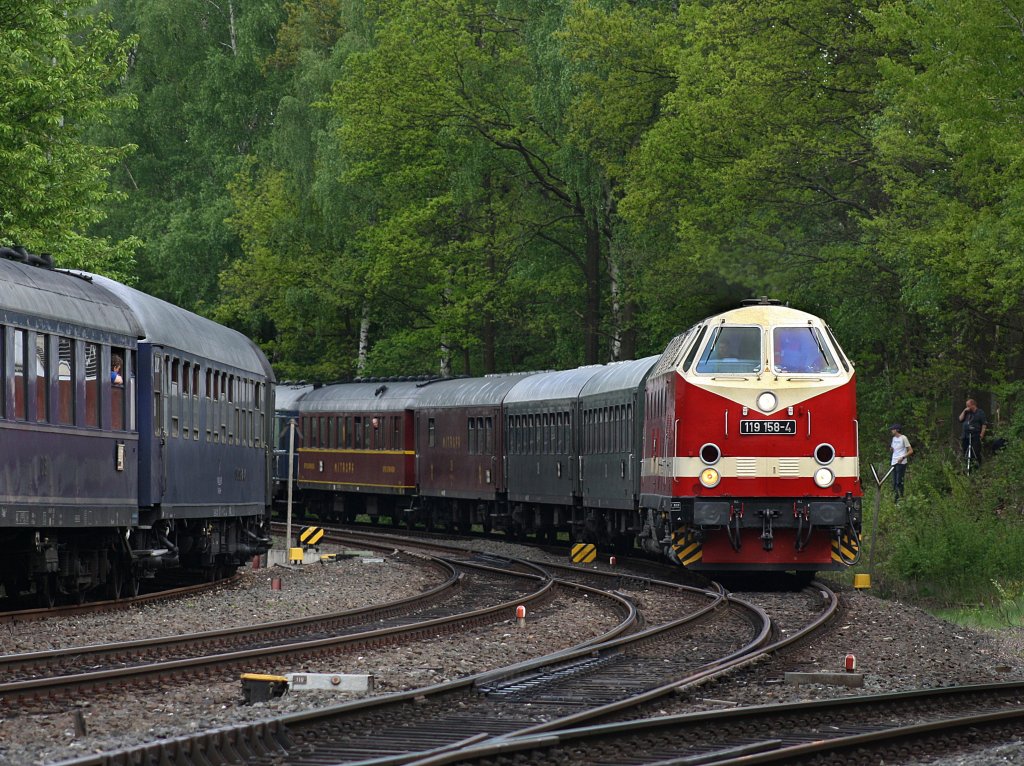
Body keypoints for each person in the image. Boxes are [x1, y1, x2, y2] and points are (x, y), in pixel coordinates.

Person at [959, 398, 987, 467]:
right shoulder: (967, 413)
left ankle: (976, 467)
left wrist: (982, 434)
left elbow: (984, 424)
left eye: (968, 406)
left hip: (975, 435)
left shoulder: (980, 412)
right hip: (966, 435)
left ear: (973, 405)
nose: (967, 407)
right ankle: (967, 467)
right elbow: (960, 419)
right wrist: (964, 411)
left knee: (975, 451)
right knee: (965, 451)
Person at [889, 423, 913, 501]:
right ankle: (895, 499)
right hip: (894, 462)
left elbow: (910, 451)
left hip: (901, 462)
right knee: (894, 482)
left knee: (899, 481)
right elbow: (893, 448)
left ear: (897, 430)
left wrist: (903, 457)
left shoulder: (903, 438)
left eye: (893, 429)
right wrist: (891, 449)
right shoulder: (894, 439)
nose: (891, 431)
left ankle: (900, 498)